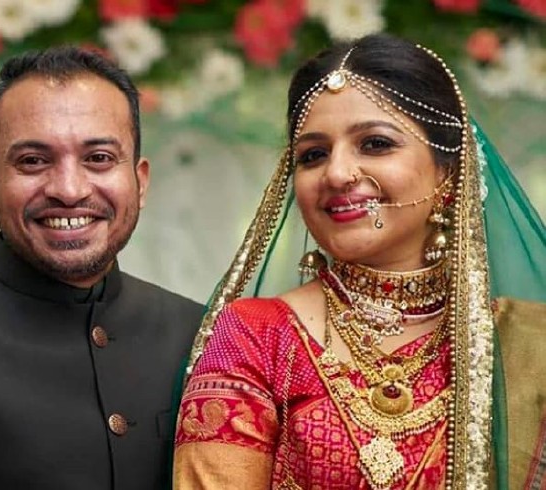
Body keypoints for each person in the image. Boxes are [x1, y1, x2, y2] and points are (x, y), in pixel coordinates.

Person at [174, 34, 546, 489]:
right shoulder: (255, 336)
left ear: (448, 173)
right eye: (313, 155)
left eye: (375, 143)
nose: (336, 173)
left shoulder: (528, 345)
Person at [0, 46, 204, 489]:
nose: (69, 190)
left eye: (98, 158)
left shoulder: (202, 336)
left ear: (141, 181)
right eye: (33, 161)